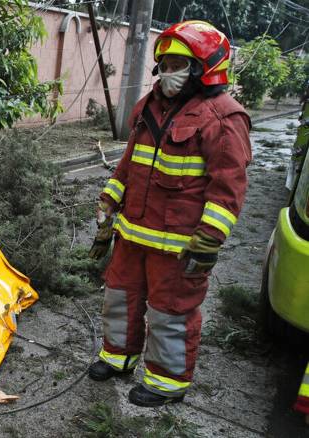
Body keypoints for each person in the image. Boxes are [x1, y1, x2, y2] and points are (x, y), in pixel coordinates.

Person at [87, 21, 251, 407]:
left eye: (178, 64)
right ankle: (118, 357)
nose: (167, 72)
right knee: (118, 298)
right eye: (165, 64)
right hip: (133, 235)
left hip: (179, 248)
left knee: (169, 313)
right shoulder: (150, 106)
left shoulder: (225, 117)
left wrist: (208, 241)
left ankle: (166, 382)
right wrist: (108, 205)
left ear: (204, 68)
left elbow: (228, 189)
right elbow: (129, 165)